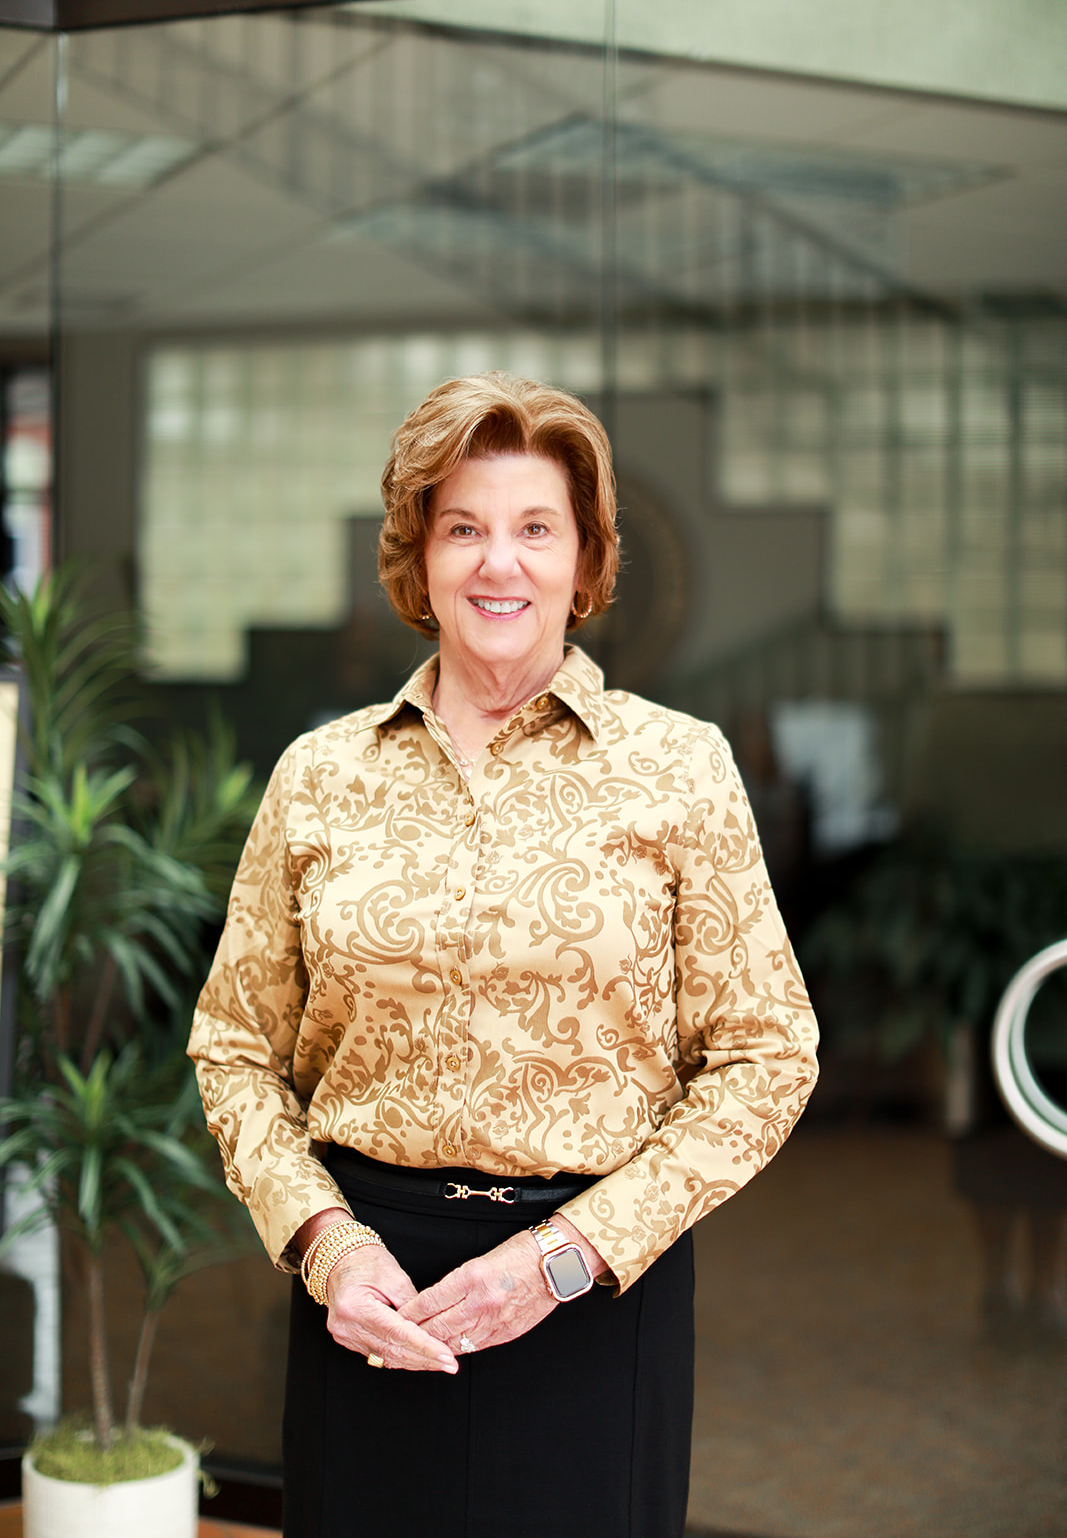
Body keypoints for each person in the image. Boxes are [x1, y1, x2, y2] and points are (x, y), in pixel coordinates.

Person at [188, 372, 819, 1538]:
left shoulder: (679, 768)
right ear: (417, 558)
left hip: (592, 1297)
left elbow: (767, 1055)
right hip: (369, 1295)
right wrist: (327, 1246)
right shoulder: (320, 776)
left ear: (584, 561)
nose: (499, 563)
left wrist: (562, 1258)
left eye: (535, 529)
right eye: (462, 528)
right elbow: (232, 1048)